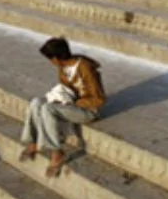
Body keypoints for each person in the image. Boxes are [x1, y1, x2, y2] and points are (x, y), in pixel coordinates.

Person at [19, 37, 106, 177]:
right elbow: (67, 90)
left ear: (57, 58)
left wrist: (74, 103)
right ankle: (33, 142)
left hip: (88, 110)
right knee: (36, 102)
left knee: (48, 109)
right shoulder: (63, 68)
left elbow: (99, 99)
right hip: (71, 104)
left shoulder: (85, 68)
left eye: (50, 59)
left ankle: (56, 152)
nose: (51, 63)